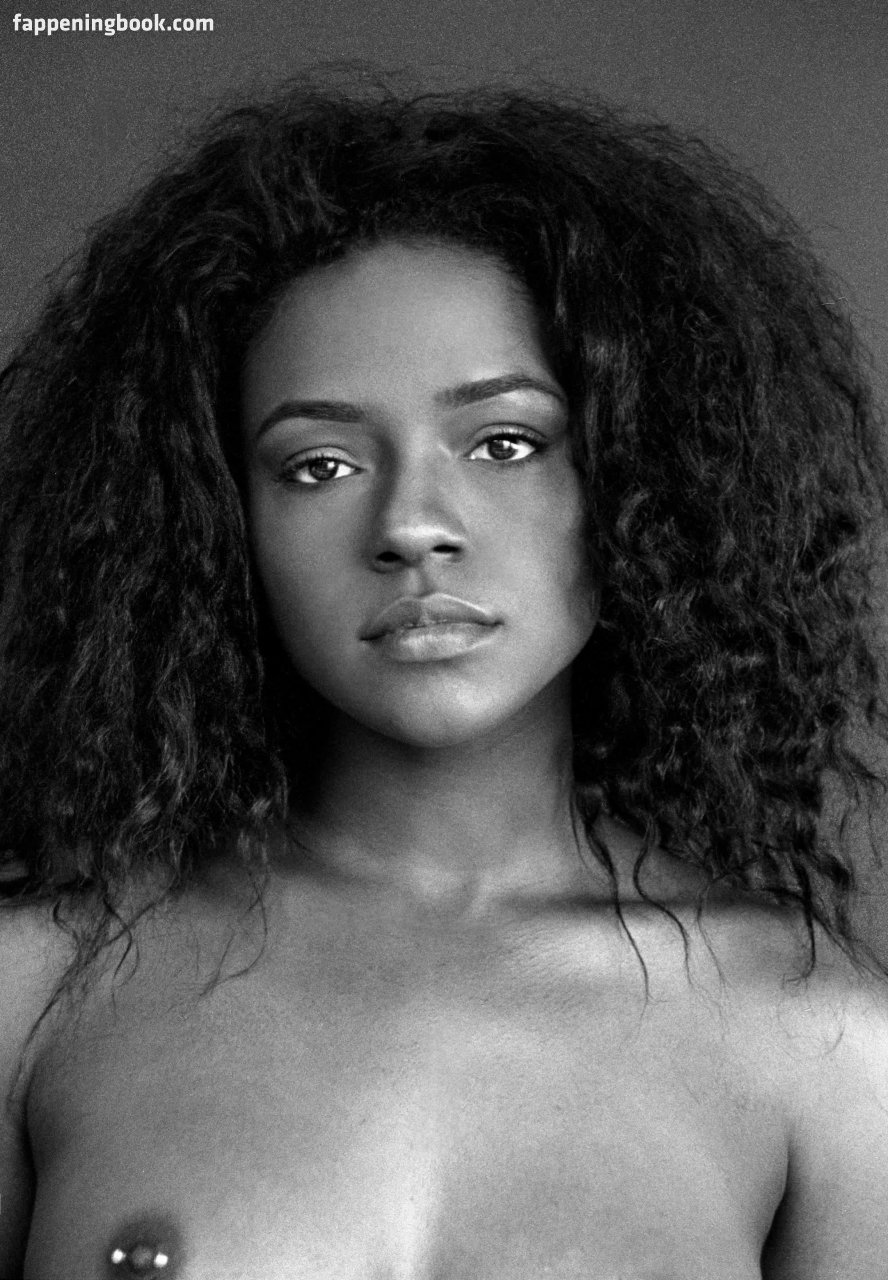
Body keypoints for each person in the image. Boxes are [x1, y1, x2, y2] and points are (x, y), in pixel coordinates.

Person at [1, 81, 888, 1280]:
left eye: (505, 442)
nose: (413, 522)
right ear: (211, 517)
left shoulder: (822, 1045)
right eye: (318, 463)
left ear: (640, 474)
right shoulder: (40, 992)